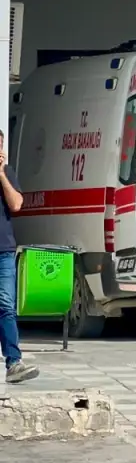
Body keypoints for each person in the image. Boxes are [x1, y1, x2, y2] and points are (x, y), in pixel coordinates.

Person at [0, 129, 36, 384]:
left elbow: (16, 204)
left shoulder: (7, 173)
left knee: (5, 305)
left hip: (3, 250)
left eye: (0, 146)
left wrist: (1, 174)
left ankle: (14, 363)